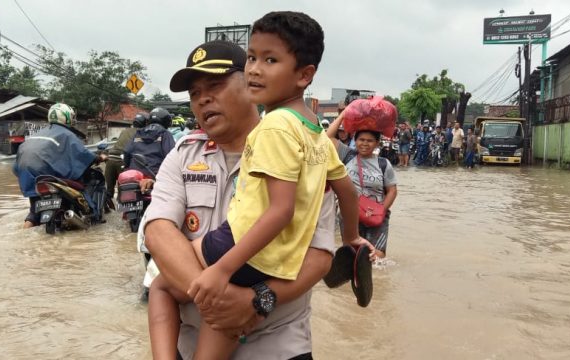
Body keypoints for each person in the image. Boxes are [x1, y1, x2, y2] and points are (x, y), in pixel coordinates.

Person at [147, 12, 368, 359]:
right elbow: (158, 232)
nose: (203, 99)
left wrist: (255, 299)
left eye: (215, 86)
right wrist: (219, 300)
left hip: (277, 345)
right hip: (191, 339)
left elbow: (320, 257)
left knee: (162, 285)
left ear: (246, 84)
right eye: (195, 93)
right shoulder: (183, 154)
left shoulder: (298, 148)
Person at [13, 103, 107, 228]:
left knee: (34, 213)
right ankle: (93, 216)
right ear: (66, 117)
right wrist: (99, 157)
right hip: (49, 176)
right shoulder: (67, 134)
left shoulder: (38, 134)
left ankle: (23, 233)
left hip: (29, 177)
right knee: (87, 184)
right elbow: (83, 154)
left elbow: (16, 165)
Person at [327, 107, 398, 259]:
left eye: (370, 140)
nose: (365, 144)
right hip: (349, 214)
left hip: (377, 216)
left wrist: (380, 210)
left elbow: (392, 190)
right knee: (351, 255)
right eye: (361, 140)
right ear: (355, 141)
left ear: (377, 143)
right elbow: (326, 138)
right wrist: (343, 115)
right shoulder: (347, 155)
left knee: (377, 256)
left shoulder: (383, 164)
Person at [103, 112, 146, 210]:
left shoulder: (125, 131)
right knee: (124, 186)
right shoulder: (141, 133)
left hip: (110, 159)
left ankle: (104, 206)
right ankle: (126, 211)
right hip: (121, 160)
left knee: (109, 187)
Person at [123, 107, 176, 177]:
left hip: (134, 174)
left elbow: (126, 151)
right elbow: (171, 156)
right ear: (166, 121)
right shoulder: (165, 134)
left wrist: (127, 167)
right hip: (154, 175)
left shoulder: (138, 133)